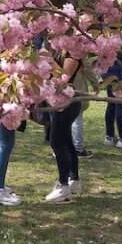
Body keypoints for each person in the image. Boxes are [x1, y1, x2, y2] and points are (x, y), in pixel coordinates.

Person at [45, 57, 85, 203]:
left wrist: (49, 61)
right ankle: (73, 179)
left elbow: (63, 78)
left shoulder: (72, 55)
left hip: (66, 102)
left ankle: (63, 187)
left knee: (56, 142)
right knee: (66, 140)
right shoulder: (59, 51)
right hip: (60, 101)